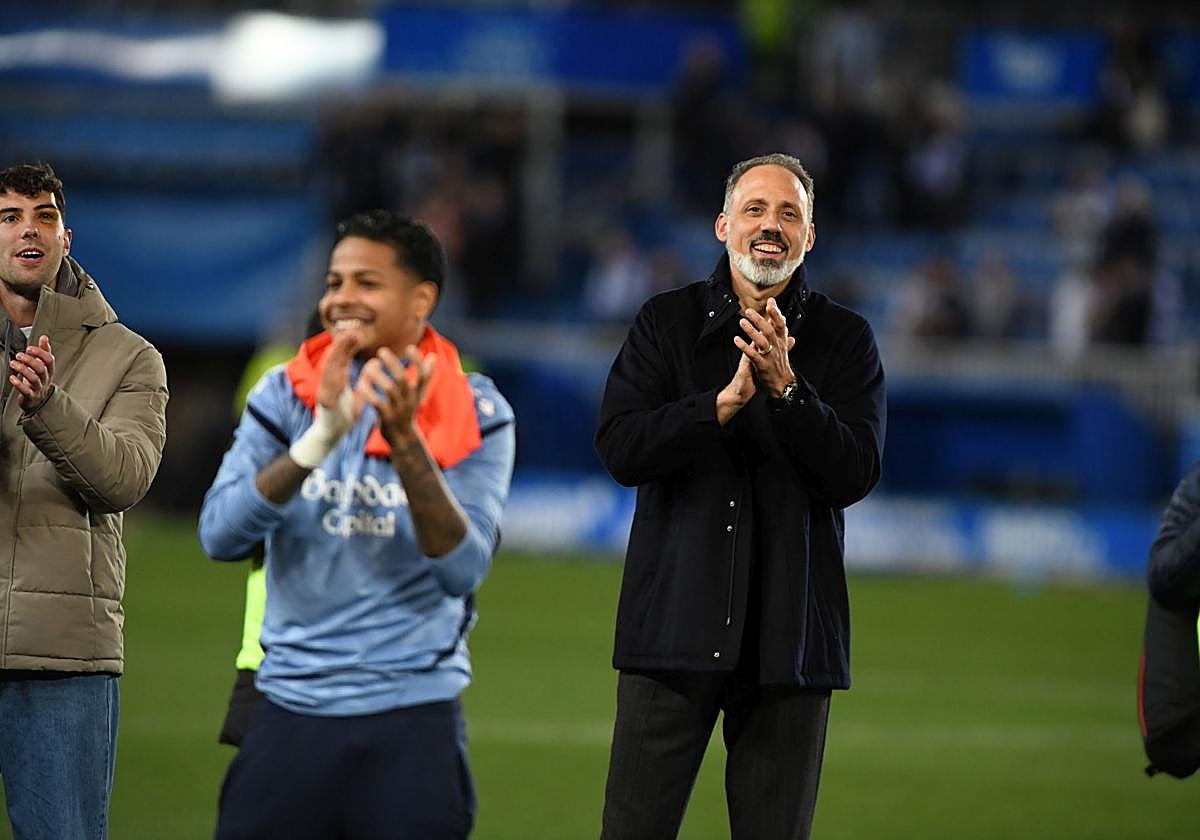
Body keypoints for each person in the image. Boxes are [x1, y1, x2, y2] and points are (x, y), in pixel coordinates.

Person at [595, 153, 886, 839]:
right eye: (755, 209)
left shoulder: (846, 339)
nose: (770, 226)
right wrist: (718, 406)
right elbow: (620, 447)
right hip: (671, 632)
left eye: (789, 213)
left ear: (810, 236)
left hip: (790, 647)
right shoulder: (665, 323)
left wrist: (788, 391)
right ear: (723, 225)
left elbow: (855, 474)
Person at [198, 210, 515, 838]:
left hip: (413, 719)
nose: (341, 298)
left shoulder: (475, 408)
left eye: (367, 283)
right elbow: (220, 536)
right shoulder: (284, 395)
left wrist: (406, 443)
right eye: (334, 282)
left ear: (421, 300)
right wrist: (322, 437)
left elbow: (462, 568)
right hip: (288, 711)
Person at [0, 161, 169, 838]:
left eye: (44, 216)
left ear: (66, 238)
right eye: (9, 217)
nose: (28, 230)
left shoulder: (130, 357)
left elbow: (124, 477)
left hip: (60, 657)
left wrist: (47, 406)